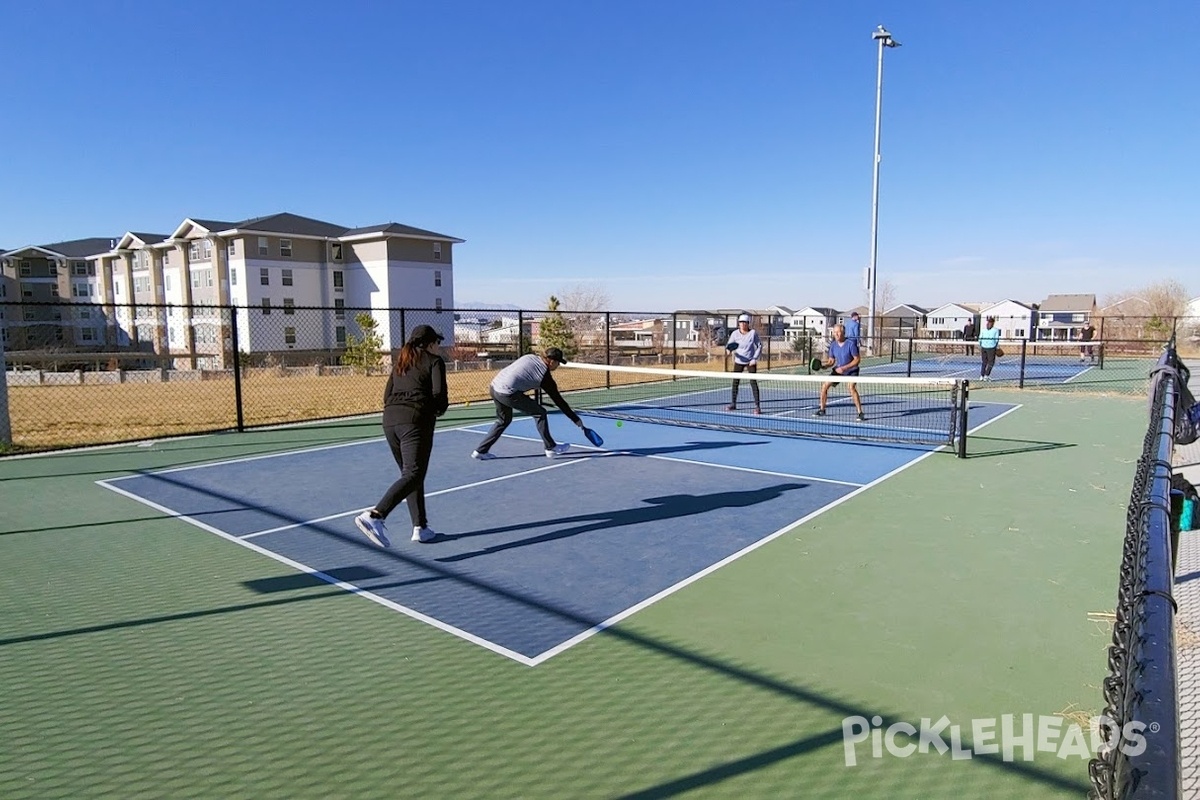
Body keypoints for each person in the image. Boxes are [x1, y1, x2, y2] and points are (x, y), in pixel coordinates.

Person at [355, 324, 449, 548]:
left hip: (390, 421)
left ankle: (421, 527)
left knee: (410, 475)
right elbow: (439, 395)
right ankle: (375, 515)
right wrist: (434, 410)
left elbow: (387, 395)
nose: (438, 346)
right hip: (415, 422)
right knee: (414, 473)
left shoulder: (400, 363)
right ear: (429, 344)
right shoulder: (435, 362)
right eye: (436, 342)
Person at [471, 347, 586, 460]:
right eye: (558, 362)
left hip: (494, 387)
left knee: (503, 420)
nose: (559, 365)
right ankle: (550, 447)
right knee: (540, 413)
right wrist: (575, 419)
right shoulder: (544, 377)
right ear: (551, 361)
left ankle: (480, 451)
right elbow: (558, 401)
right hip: (508, 393)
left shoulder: (530, 357)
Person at [814, 323, 865, 422]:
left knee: (851, 388)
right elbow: (831, 361)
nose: (836, 334)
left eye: (838, 332)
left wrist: (845, 368)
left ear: (843, 333)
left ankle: (860, 412)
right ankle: (822, 409)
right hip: (839, 370)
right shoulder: (833, 346)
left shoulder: (851, 344)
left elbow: (857, 360)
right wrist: (824, 366)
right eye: (835, 332)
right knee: (825, 386)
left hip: (852, 370)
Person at [725, 313, 763, 414]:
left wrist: (754, 358)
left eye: (744, 322)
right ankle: (733, 404)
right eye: (740, 322)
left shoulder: (753, 333)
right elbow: (729, 346)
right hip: (738, 361)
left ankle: (757, 406)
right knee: (735, 382)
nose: (742, 324)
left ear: (748, 324)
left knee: (753, 382)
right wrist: (728, 351)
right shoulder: (735, 334)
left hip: (751, 361)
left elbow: (759, 346)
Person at [978, 316, 1001, 381]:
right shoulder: (995, 330)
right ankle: (986, 375)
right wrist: (996, 346)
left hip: (983, 347)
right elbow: (996, 339)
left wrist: (980, 345)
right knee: (991, 362)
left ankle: (982, 375)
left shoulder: (983, 330)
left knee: (984, 362)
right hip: (991, 347)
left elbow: (980, 338)